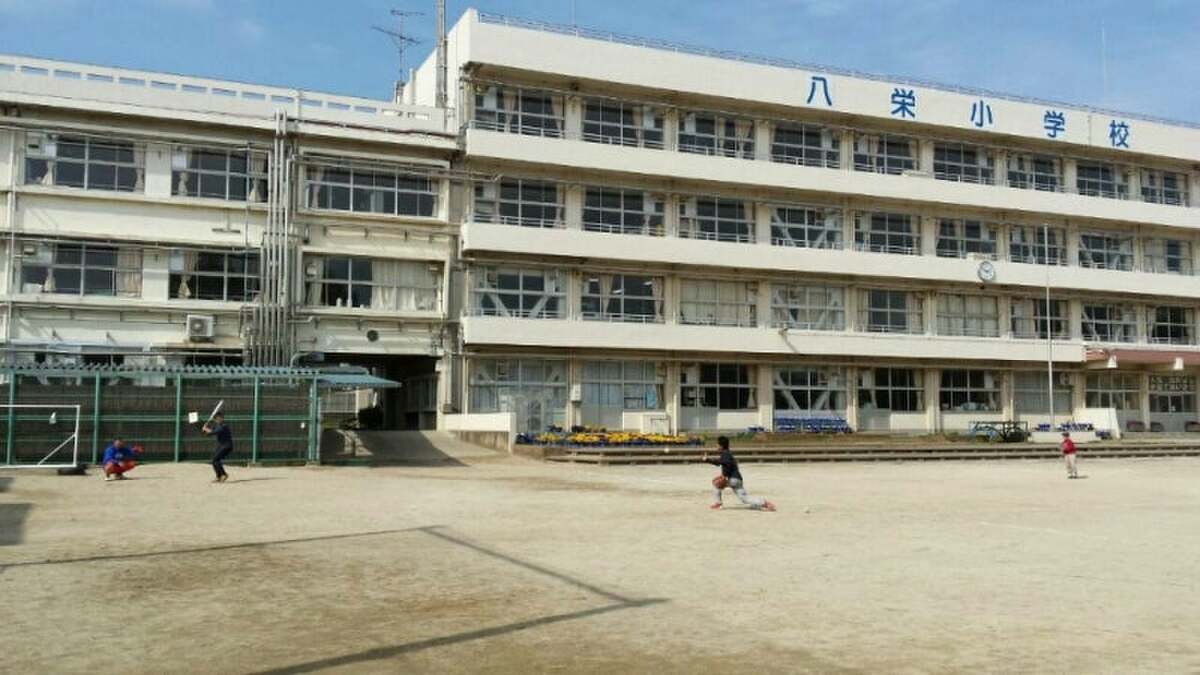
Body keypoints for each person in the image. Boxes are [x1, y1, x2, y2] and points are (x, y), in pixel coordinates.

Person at [702, 436, 775, 511]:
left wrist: (724, 476)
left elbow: (727, 464)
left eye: (717, 444)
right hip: (737, 479)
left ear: (721, 446)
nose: (716, 446)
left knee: (716, 485)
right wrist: (708, 460)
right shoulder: (727, 453)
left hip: (732, 479)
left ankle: (718, 504)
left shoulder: (725, 454)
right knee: (744, 498)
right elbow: (720, 463)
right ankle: (764, 503)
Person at [201, 412, 234, 483]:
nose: (218, 419)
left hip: (227, 446)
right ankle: (219, 476)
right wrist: (204, 430)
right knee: (214, 461)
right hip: (222, 446)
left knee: (216, 460)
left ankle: (224, 474)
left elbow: (214, 432)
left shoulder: (224, 426)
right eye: (216, 418)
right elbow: (209, 433)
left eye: (219, 418)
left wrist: (206, 429)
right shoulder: (217, 425)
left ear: (222, 418)